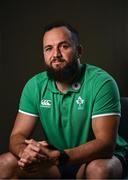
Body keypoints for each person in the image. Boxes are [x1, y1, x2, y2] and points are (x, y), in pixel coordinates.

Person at [0, 22, 128, 179]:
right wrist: (24, 152)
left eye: (64, 46)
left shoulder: (101, 82)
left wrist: (57, 157)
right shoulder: (35, 85)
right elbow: (17, 135)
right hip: (54, 162)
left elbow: (106, 145)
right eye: (49, 49)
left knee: (99, 170)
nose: (56, 54)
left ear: (79, 51)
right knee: (5, 163)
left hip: (95, 159)